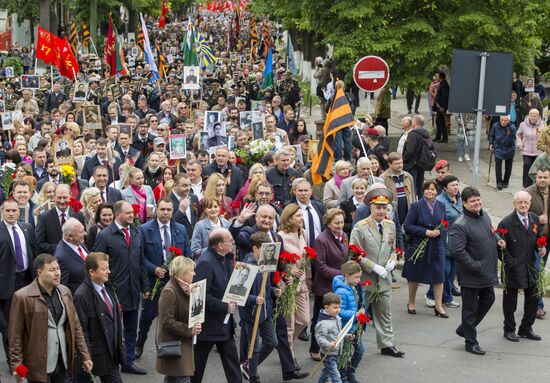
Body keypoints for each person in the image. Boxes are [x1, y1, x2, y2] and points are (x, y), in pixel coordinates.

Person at [9, 253, 93, 383]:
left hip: (62, 362)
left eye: (58, 269)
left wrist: (85, 356)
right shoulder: (22, 297)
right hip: (36, 366)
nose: (57, 273)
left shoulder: (65, 292)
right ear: (39, 272)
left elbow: (75, 327)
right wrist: (18, 367)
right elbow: (15, 336)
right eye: (52, 270)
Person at [94, 201, 150, 374]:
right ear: (117, 214)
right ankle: (111, 363)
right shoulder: (105, 235)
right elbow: (98, 264)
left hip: (133, 289)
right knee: (113, 330)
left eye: (132, 212)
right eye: (128, 213)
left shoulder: (135, 232)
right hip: (113, 291)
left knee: (131, 328)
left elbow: (141, 261)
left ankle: (128, 361)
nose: (132, 215)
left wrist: (145, 285)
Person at [449, 187, 506, 355]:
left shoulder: (484, 216)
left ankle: (465, 329)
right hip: (471, 275)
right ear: (464, 203)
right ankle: (470, 341)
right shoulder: (460, 224)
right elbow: (457, 251)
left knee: (488, 299)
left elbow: (490, 232)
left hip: (486, 272)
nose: (477, 203)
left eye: (478, 200)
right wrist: (475, 266)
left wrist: (498, 240)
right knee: (470, 309)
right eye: (472, 201)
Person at [350, 186, 404, 357]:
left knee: (385, 313)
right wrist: (374, 267)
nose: (381, 211)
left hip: (384, 279)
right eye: (378, 207)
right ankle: (353, 344)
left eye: (384, 207)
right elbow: (354, 253)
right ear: (371, 208)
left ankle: (387, 344)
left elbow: (393, 249)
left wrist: (393, 261)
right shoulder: (360, 227)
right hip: (366, 278)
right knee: (360, 313)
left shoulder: (390, 225)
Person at [136, 197, 191, 358]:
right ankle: (139, 344)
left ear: (173, 211)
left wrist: (182, 274)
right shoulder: (145, 229)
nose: (165, 213)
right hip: (155, 282)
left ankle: (171, 347)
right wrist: (154, 269)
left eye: (168, 210)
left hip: (175, 282)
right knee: (147, 317)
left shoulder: (180, 229)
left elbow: (187, 255)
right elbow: (140, 256)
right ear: (156, 210)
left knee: (174, 317)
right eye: (162, 209)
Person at [192, 228, 242, 383]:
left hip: (224, 325)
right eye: (230, 240)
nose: (233, 242)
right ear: (220, 245)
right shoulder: (205, 262)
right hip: (208, 327)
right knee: (196, 370)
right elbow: (200, 296)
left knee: (233, 367)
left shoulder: (224, 257)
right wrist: (224, 306)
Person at [497, 191, 544, 342]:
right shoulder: (506, 223)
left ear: (530, 204)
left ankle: (526, 328)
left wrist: (541, 247)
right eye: (520, 202)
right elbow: (499, 247)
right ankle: (509, 329)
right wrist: (510, 262)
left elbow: (538, 238)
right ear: (514, 204)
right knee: (511, 300)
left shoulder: (534, 219)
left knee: (533, 297)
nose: (523, 205)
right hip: (513, 267)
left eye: (526, 202)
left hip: (530, 265)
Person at [73, 252, 125, 383]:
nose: (108, 271)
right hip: (93, 356)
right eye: (104, 269)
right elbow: (80, 330)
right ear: (91, 272)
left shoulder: (109, 288)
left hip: (111, 354)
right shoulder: (81, 296)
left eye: (108, 267)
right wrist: (85, 357)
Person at [402, 180, 448, 317]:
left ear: (437, 191)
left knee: (439, 276)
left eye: (433, 189)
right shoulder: (416, 206)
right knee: (414, 275)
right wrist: (425, 232)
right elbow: (407, 226)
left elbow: (446, 224)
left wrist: (441, 231)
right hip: (419, 245)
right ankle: (411, 302)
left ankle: (438, 306)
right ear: (423, 191)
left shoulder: (441, 205)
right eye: (427, 189)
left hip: (436, 245)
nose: (430, 191)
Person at [239, 232, 280, 383]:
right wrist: (253, 299)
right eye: (264, 249)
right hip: (251, 313)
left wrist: (273, 291)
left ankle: (248, 366)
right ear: (255, 248)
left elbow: (266, 287)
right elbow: (238, 293)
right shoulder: (245, 266)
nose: (267, 253)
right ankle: (253, 376)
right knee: (254, 347)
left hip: (265, 311)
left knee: (272, 342)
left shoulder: (266, 264)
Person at [0, 199, 37, 355]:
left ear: (18, 212)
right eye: (7, 210)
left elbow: (33, 253)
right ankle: (13, 360)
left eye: (14, 210)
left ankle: (28, 355)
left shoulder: (27, 228)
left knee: (29, 320)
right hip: (7, 284)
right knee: (10, 325)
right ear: (2, 212)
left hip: (27, 280)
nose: (10, 213)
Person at [309, 208, 348, 361]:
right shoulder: (321, 240)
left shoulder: (344, 236)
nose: (340, 225)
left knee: (334, 319)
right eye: (336, 223)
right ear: (328, 223)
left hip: (339, 285)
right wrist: (341, 275)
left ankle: (331, 348)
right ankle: (314, 349)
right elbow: (320, 266)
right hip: (324, 287)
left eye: (342, 222)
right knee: (320, 320)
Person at [156, 256, 201, 383]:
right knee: (182, 377)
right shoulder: (169, 292)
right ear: (182, 272)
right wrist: (189, 329)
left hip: (180, 343)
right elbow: (167, 321)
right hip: (175, 343)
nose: (194, 273)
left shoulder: (185, 288)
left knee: (172, 378)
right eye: (191, 270)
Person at [277, 203, 311, 369]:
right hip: (288, 284)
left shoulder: (302, 233)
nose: (301, 218)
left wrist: (308, 278)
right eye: (298, 216)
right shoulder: (280, 236)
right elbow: (278, 262)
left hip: (302, 283)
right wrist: (290, 270)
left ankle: (285, 345)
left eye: (302, 216)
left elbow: (306, 258)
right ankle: (289, 355)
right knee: (289, 324)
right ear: (289, 217)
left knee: (304, 320)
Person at [425, 175, 462, 308]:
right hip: (444, 240)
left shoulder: (460, 199)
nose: (456, 187)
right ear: (445, 188)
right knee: (443, 270)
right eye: (453, 185)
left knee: (452, 271)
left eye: (457, 184)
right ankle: (430, 294)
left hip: (458, 240)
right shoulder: (439, 201)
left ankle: (446, 297)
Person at [332, 261, 367, 382]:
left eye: (359, 277)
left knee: (360, 350)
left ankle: (350, 372)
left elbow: (359, 302)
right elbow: (339, 311)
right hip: (345, 328)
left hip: (354, 326)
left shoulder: (355, 286)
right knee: (344, 354)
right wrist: (355, 315)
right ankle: (343, 376)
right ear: (347, 276)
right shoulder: (341, 292)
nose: (358, 280)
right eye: (356, 277)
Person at [524, 166, 550, 319]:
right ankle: (537, 304)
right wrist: (536, 218)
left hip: (548, 238)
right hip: (535, 239)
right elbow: (520, 213)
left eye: (545, 177)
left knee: (540, 270)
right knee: (537, 270)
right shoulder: (528, 193)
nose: (542, 180)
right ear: (536, 177)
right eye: (540, 177)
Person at [35, 183, 85, 254]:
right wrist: (61, 248)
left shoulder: (77, 215)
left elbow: (83, 238)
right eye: (59, 198)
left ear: (70, 196)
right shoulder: (44, 218)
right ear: (54, 197)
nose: (62, 201)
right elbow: (39, 243)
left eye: (65, 197)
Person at [314, 292, 344, 383]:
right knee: (336, 377)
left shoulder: (336, 318)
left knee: (327, 372)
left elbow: (338, 334)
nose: (338, 310)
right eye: (335, 307)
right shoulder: (323, 323)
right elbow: (320, 338)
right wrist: (328, 344)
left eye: (339, 307)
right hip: (328, 354)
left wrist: (346, 336)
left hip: (336, 352)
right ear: (326, 307)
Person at [380, 152, 416, 225]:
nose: (400, 165)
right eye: (397, 164)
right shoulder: (383, 178)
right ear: (390, 164)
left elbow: (413, 194)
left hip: (407, 212)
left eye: (401, 163)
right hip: (392, 214)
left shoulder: (408, 176)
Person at [55, 218, 89, 294]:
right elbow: (63, 289)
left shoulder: (78, 242)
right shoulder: (61, 257)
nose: (85, 233)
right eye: (81, 232)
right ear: (70, 236)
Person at [403, 115, 430, 200]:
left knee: (412, 186)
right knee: (420, 185)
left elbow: (410, 150)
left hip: (412, 164)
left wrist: (404, 160)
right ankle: (421, 203)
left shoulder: (413, 134)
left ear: (415, 122)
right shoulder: (426, 133)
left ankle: (413, 204)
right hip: (422, 163)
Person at [517, 108, 544, 188]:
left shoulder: (543, 125)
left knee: (537, 168)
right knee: (527, 165)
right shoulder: (523, 124)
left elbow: (545, 136)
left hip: (538, 151)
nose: (532, 117)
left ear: (538, 116)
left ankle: (536, 185)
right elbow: (518, 134)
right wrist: (519, 143)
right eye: (531, 115)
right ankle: (526, 186)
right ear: (528, 116)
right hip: (526, 150)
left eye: (534, 116)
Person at [170, 173, 201, 242]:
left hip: (195, 240)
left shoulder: (193, 198)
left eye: (189, 185)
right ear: (175, 185)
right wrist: (180, 211)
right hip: (178, 240)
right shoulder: (168, 201)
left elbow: (199, 216)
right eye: (184, 186)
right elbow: (168, 224)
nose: (188, 188)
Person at [489, 115, 517, 190]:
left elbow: (513, 138)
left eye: (505, 120)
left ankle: (506, 181)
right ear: (500, 119)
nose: (503, 122)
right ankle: (499, 182)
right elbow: (491, 136)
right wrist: (491, 143)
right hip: (498, 148)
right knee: (498, 167)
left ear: (508, 121)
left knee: (508, 167)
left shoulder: (512, 127)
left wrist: (508, 134)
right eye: (502, 120)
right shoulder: (495, 126)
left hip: (509, 149)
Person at [433, 71, 449, 143]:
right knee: (438, 121)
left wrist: (443, 106)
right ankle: (438, 136)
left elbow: (445, 96)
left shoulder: (444, 84)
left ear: (440, 77)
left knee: (441, 121)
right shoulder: (441, 84)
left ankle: (444, 137)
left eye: (438, 76)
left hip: (442, 106)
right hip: (439, 106)